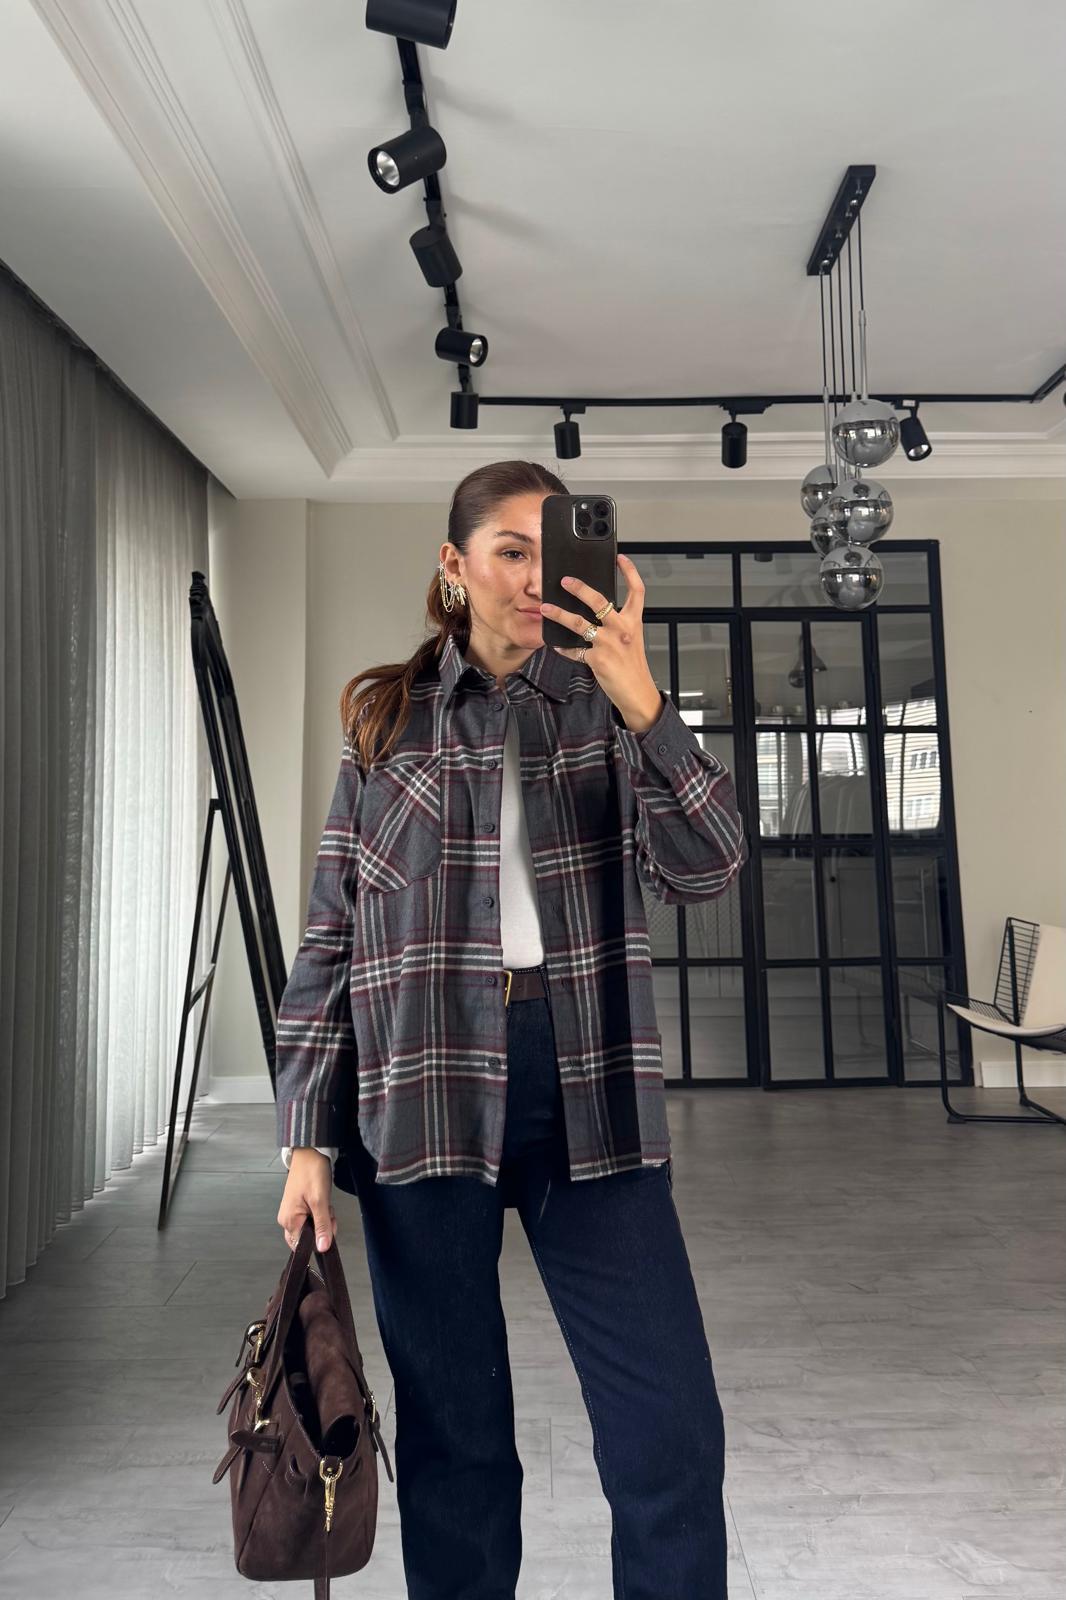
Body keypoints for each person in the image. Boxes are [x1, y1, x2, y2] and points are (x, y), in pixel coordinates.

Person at [276, 459, 747, 1599]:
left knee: (670, 1432)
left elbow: (712, 867)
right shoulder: (383, 720)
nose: (537, 578)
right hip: (421, 1095)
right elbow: (331, 936)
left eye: (555, 549)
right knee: (456, 1444)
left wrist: (644, 701)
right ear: (456, 566)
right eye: (510, 551)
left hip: (591, 1085)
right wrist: (305, 1137)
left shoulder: (608, 706)